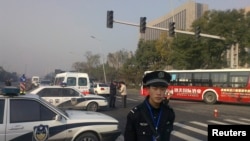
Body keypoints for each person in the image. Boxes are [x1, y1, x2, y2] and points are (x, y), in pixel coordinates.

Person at [124, 71, 175, 141]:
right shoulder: (135, 114)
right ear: (148, 89)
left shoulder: (169, 113)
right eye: (155, 88)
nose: (159, 93)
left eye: (162, 89)